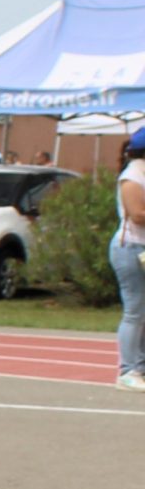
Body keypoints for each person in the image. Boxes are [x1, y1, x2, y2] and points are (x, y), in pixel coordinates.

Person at [112, 127, 145, 392]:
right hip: (131, 248)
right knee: (135, 310)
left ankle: (140, 367)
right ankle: (127, 371)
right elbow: (137, 214)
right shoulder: (132, 176)